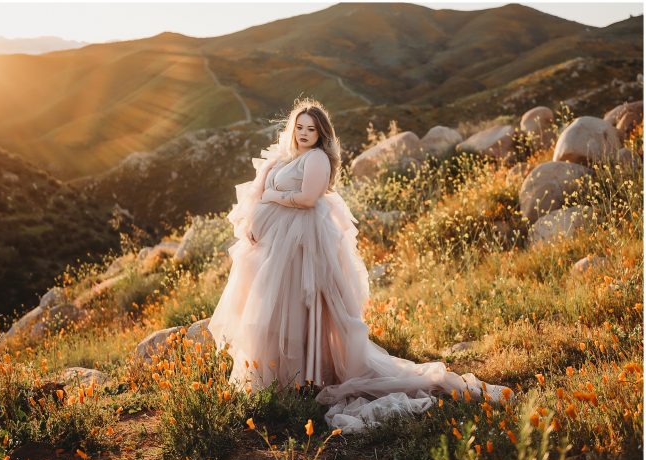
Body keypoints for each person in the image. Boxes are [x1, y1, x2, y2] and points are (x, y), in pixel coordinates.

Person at [208, 98, 505, 433]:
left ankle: (311, 375)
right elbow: (258, 190)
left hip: (303, 244)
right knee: (274, 309)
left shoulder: (318, 159)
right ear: (293, 128)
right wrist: (257, 212)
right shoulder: (284, 155)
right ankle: (278, 380)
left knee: (307, 307)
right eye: (300, 127)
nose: (304, 133)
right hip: (276, 247)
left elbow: (307, 200)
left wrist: (273, 198)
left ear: (321, 134)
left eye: (312, 129)